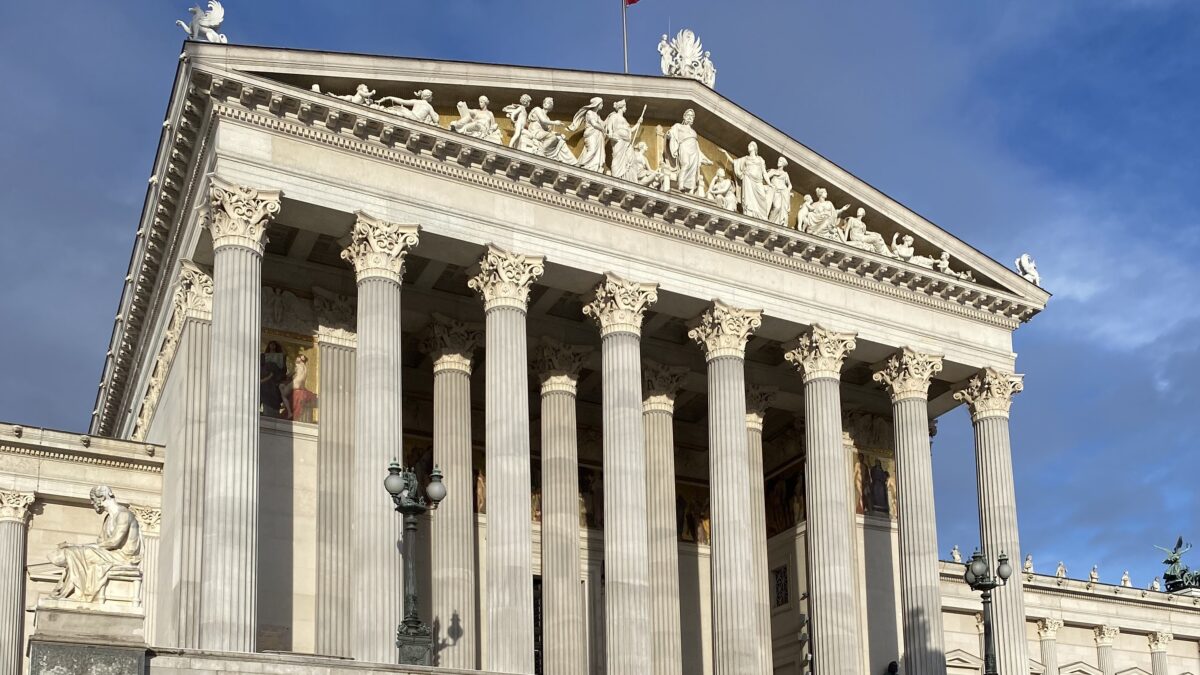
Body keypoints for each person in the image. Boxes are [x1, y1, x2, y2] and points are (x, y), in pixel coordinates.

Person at [49, 486, 142, 603]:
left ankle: (68, 591)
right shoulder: (108, 519)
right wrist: (77, 545)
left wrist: (81, 547)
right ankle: (67, 589)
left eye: (93, 499)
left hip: (123, 557)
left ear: (102, 497)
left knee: (76, 552)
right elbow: (101, 544)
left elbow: (114, 542)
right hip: (109, 553)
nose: (92, 503)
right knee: (74, 551)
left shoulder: (123, 514)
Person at [664, 109, 711, 195]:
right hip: (684, 146)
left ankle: (691, 190)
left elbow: (698, 147)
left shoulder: (694, 132)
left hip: (694, 151)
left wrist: (705, 159)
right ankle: (680, 185)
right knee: (685, 164)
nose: (690, 118)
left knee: (694, 170)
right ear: (684, 117)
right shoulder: (678, 126)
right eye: (688, 115)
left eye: (692, 116)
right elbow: (672, 132)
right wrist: (669, 135)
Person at [724, 142, 772, 220]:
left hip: (758, 181)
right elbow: (734, 162)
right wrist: (726, 153)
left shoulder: (760, 159)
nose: (748, 147)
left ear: (754, 147)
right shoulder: (745, 159)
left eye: (750, 145)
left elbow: (764, 172)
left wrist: (769, 183)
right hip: (748, 180)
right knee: (748, 200)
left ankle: (763, 217)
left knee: (762, 198)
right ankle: (749, 213)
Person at [604, 100, 641, 181]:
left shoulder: (624, 119)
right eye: (625, 107)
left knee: (630, 159)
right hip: (618, 141)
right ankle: (616, 176)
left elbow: (630, 130)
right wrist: (610, 133)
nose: (626, 108)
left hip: (626, 143)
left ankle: (626, 177)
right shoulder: (614, 116)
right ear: (621, 107)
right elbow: (610, 127)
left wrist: (638, 123)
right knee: (617, 158)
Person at [567, 97, 606, 172]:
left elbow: (603, 123)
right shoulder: (589, 113)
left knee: (594, 151)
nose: (602, 105)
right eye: (601, 104)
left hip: (597, 135)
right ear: (597, 104)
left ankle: (592, 166)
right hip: (591, 134)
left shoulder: (597, 115)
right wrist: (602, 129)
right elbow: (594, 124)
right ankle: (579, 165)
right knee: (592, 149)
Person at [260, 341, 287, 417]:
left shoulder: (280, 356)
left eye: (274, 345)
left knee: (274, 391)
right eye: (271, 344)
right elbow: (261, 367)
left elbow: (284, 356)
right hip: (266, 377)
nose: (272, 346)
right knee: (264, 390)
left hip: (275, 377)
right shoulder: (264, 355)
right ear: (269, 346)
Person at [765, 156, 793, 225]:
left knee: (778, 208)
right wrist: (770, 183)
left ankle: (771, 223)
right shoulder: (773, 171)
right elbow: (766, 176)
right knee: (776, 207)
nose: (778, 162)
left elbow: (790, 185)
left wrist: (787, 191)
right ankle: (768, 222)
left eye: (780, 161)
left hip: (782, 193)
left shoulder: (785, 174)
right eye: (778, 161)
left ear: (783, 164)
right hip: (773, 191)